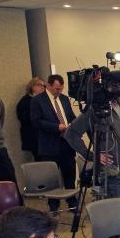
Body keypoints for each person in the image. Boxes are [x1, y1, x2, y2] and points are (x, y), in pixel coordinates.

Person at [64, 97, 120, 204]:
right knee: (114, 217)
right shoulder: (95, 111)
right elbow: (71, 134)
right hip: (113, 176)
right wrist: (94, 156)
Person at [30, 74, 78, 213]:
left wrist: (74, 125)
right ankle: (53, 204)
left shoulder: (64, 99)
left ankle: (71, 202)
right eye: (57, 89)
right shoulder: (38, 100)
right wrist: (56, 127)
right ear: (49, 86)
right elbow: (36, 121)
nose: (59, 92)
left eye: (61, 89)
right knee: (51, 177)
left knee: (70, 173)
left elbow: (70, 116)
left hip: (66, 143)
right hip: (49, 144)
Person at [16, 77, 45, 160]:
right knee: (40, 160)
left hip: (43, 137)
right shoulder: (25, 101)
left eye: (44, 86)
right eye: (40, 85)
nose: (42, 87)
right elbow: (23, 118)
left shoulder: (42, 100)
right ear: (32, 86)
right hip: (33, 136)